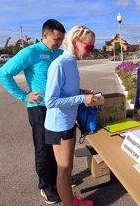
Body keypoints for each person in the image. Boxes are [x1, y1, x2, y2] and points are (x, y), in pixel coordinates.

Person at [0, 19, 66, 204]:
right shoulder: (30, 52)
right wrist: (23, 95)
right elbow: (3, 73)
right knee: (43, 147)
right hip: (39, 107)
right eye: (56, 39)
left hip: (57, 106)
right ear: (45, 35)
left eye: (61, 40)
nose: (59, 43)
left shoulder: (59, 53)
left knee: (57, 145)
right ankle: (46, 185)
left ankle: (59, 178)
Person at [44, 25, 98, 206]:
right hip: (59, 125)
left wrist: (82, 92)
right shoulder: (59, 64)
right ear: (75, 41)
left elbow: (66, 92)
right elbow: (50, 101)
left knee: (68, 168)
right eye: (88, 47)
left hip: (67, 122)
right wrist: (82, 97)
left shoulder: (71, 62)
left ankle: (71, 200)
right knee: (64, 170)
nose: (90, 51)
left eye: (92, 48)